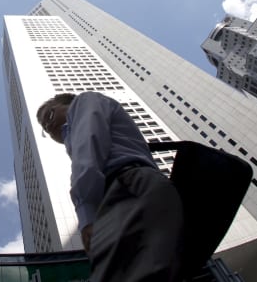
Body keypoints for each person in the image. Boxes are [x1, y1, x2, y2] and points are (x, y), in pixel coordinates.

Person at [36, 92, 184, 282]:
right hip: (132, 189)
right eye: (44, 128)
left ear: (67, 103)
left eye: (49, 115)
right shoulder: (73, 136)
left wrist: (87, 214)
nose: (48, 126)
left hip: (128, 185)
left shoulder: (84, 102)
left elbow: (88, 147)